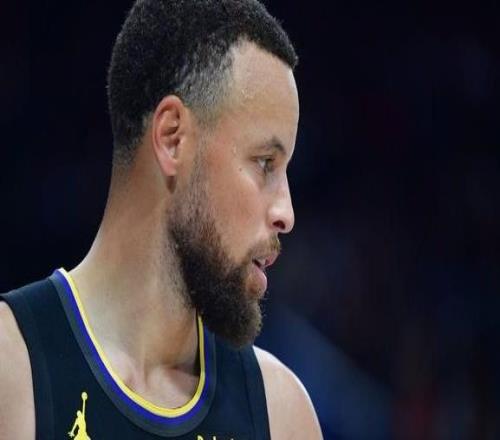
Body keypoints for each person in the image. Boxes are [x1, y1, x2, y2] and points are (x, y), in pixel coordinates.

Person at [0, 0, 323, 438]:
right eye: (265, 162)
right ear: (172, 138)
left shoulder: (282, 415)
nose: (286, 213)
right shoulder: (11, 371)